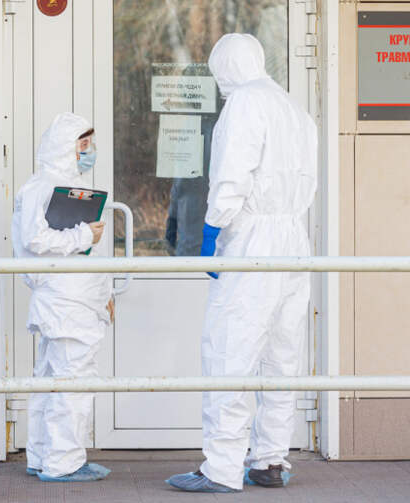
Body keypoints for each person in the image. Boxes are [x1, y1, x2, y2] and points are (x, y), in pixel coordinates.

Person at [167, 34, 318, 493]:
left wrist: (213, 228)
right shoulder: (293, 108)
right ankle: (270, 460)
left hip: (252, 237)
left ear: (225, 67)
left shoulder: (245, 103)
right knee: (281, 354)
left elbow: (232, 172)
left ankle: (222, 468)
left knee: (229, 350)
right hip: (293, 237)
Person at [12, 112, 114, 482]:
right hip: (65, 301)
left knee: (53, 378)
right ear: (64, 147)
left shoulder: (67, 187)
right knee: (73, 379)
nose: (89, 151)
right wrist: (83, 235)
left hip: (74, 298)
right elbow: (35, 240)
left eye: (90, 144)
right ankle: (63, 462)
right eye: (83, 144)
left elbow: (84, 255)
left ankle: (43, 456)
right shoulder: (42, 187)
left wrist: (103, 292)